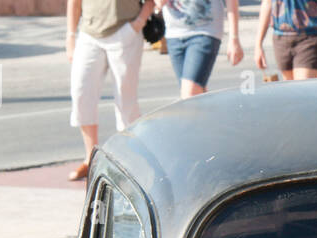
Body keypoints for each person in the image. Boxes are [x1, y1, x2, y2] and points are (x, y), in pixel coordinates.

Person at [66, 0, 157, 182]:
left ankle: (128, 161)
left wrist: (139, 22)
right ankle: (90, 159)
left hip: (124, 30)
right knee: (81, 93)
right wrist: (70, 35)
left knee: (126, 101)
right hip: (89, 33)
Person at [158, 0, 242, 98]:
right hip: (174, 34)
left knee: (189, 92)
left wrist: (234, 38)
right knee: (196, 94)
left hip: (206, 30)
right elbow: (159, 3)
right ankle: (210, 113)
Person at [254, 0, 317, 81]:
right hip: (281, 37)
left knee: (303, 87)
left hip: (310, 36)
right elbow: (267, 3)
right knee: (290, 88)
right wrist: (258, 44)